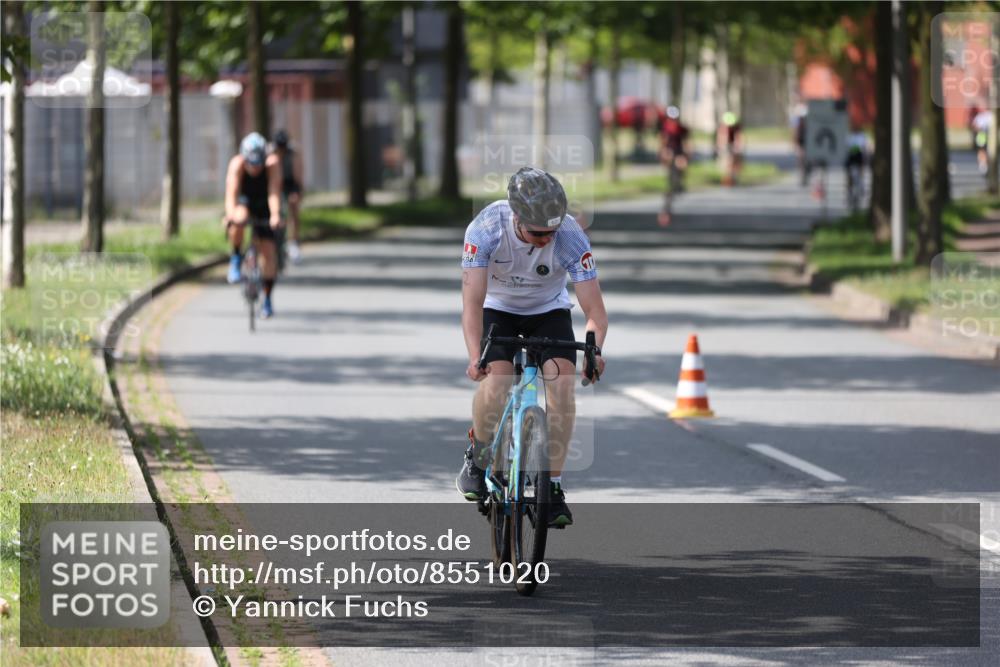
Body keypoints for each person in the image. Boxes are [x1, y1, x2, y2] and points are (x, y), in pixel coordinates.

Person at [457, 167, 608, 528]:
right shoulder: (486, 228)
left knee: (562, 387)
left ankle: (552, 486)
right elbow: (472, 304)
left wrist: (594, 351)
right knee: (497, 381)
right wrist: (475, 356)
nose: (545, 240)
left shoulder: (569, 234)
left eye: (550, 233)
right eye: (538, 233)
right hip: (498, 308)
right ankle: (477, 456)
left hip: (548, 310)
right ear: (516, 217)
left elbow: (595, 312)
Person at [224, 132, 283, 319]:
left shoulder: (272, 164)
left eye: (258, 163)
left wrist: (274, 215)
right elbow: (231, 194)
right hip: (245, 201)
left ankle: (267, 298)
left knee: (269, 252)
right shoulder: (237, 164)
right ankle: (235, 258)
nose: (255, 168)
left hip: (264, 203)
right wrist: (230, 215)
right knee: (238, 218)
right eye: (251, 163)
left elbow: (274, 192)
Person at [273, 129, 303, 263]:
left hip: (289, 183)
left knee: (293, 206)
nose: (281, 150)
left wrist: (298, 191)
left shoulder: (293, 154)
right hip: (275, 183)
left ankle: (293, 242)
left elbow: (298, 174)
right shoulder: (270, 152)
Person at [659, 106, 690, 226]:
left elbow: (686, 143)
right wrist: (664, 153)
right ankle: (667, 205)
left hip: (679, 153)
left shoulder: (682, 129)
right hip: (670, 154)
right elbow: (663, 141)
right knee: (670, 179)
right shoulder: (665, 128)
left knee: (680, 171)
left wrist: (686, 156)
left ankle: (679, 183)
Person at [717, 111, 744, 186]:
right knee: (727, 161)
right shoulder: (723, 127)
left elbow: (739, 137)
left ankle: (735, 175)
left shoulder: (737, 126)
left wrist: (739, 146)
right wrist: (722, 147)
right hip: (726, 145)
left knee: (737, 159)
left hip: (733, 144)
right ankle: (727, 178)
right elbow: (722, 138)